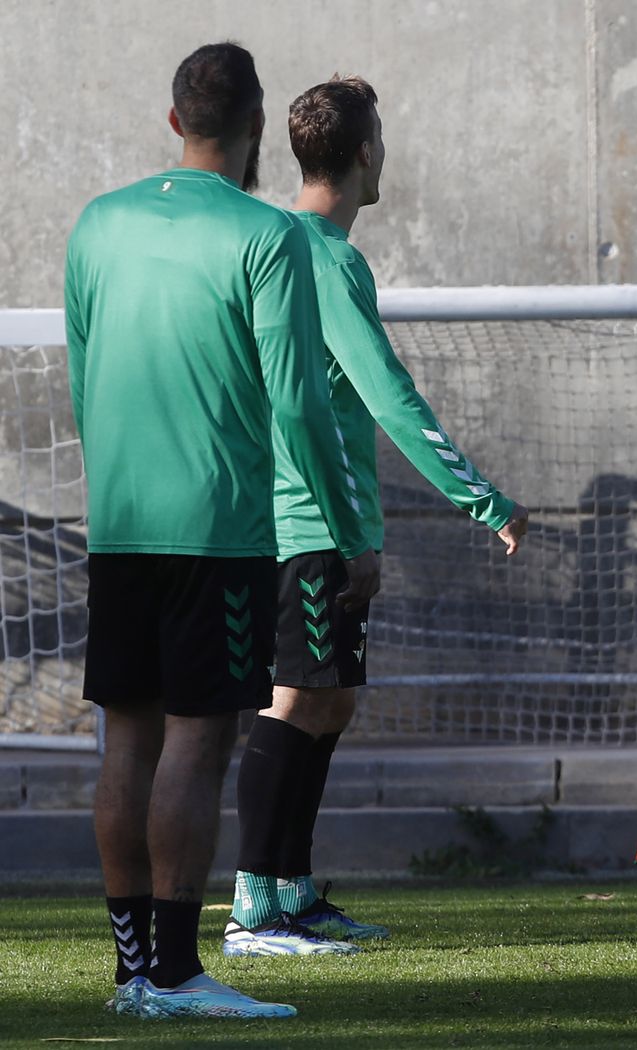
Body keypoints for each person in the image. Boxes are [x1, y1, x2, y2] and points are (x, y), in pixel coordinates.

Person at [65, 42, 379, 1020]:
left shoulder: (97, 222)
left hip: (118, 529)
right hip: (219, 535)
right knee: (198, 744)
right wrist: (345, 531)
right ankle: (173, 972)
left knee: (128, 740)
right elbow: (300, 409)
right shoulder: (266, 234)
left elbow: (83, 373)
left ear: (174, 122)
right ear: (253, 131)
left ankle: (132, 973)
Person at [222, 75, 531, 957]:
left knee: (332, 702)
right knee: (292, 702)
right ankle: (252, 910)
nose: (386, 152)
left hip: (310, 519)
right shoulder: (324, 255)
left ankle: (291, 889)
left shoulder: (273, 241)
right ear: (364, 153)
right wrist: (483, 499)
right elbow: (388, 396)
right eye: (382, 138)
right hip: (308, 522)